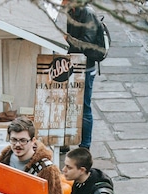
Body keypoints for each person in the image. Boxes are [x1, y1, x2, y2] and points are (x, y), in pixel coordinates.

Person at [66, 4, 100, 148]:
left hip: (86, 67)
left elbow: (87, 43)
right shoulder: (71, 11)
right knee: (70, 104)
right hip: (73, 64)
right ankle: (68, 140)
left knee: (85, 106)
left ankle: (85, 144)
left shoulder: (88, 14)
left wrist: (66, 40)